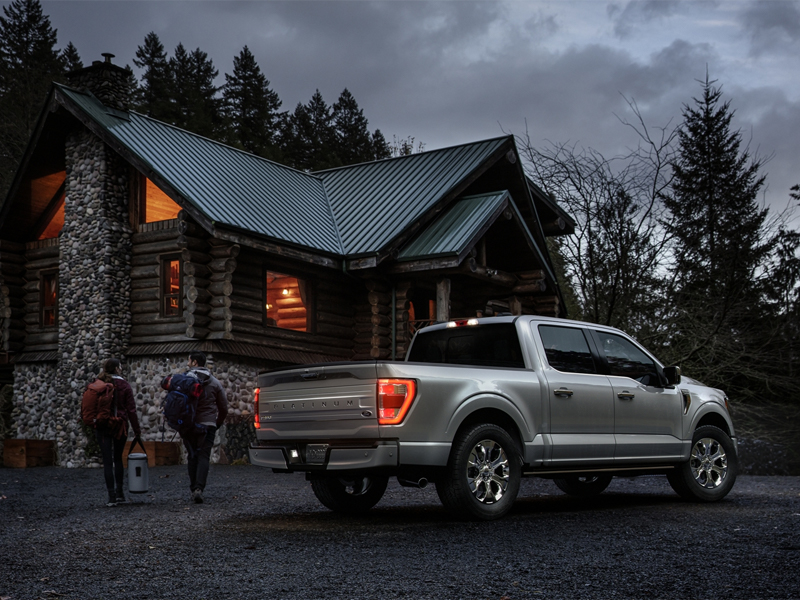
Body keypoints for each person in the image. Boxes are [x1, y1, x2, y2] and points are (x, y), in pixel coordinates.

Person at [94, 358, 142, 507]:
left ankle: (111, 496)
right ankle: (120, 493)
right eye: (119, 367)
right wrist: (136, 430)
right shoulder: (124, 385)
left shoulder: (98, 384)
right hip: (120, 425)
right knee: (118, 459)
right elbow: (131, 410)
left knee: (107, 461)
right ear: (116, 369)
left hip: (102, 425)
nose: (121, 369)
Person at [182, 351, 228, 504]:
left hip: (189, 425)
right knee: (203, 456)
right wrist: (217, 423)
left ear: (194, 362)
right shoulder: (214, 382)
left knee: (192, 456)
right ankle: (199, 489)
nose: (188, 362)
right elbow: (224, 408)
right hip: (208, 425)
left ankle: (192, 487)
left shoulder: (184, 380)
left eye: (189, 360)